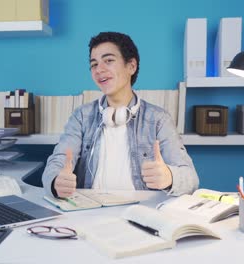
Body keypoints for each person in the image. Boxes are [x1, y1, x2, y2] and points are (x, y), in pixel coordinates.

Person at [42, 32, 198, 198]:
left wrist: (170, 177)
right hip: (89, 211)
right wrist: (56, 181)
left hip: (141, 212)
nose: (99, 69)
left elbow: (191, 179)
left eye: (108, 60)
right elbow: (57, 161)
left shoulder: (158, 119)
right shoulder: (81, 116)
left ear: (131, 66)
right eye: (94, 64)